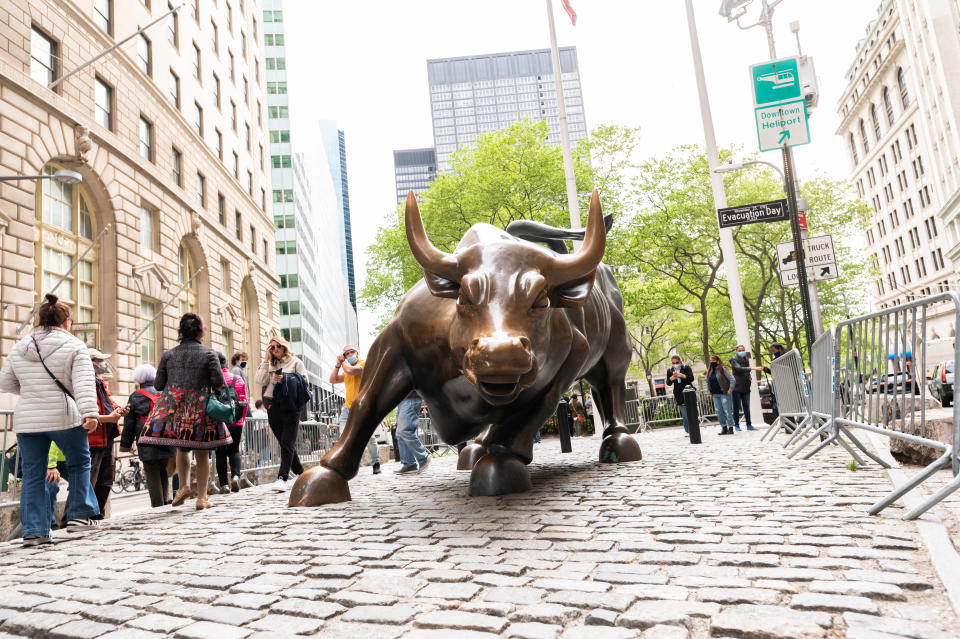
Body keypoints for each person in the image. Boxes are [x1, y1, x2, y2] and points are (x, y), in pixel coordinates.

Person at [0, 293, 102, 544]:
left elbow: (5, 382)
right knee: (79, 462)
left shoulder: (20, 346)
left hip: (28, 420)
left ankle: (34, 530)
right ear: (66, 321)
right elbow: (84, 384)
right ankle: (80, 515)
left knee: (34, 473)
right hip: (63, 417)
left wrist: (32, 392)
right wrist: (90, 413)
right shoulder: (75, 346)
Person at [139, 313, 231, 510]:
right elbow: (218, 382)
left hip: (174, 408)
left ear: (180, 332)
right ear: (200, 332)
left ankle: (183, 486)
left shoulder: (168, 355)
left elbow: (158, 384)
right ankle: (202, 497)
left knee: (182, 446)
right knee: (202, 452)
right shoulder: (209, 354)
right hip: (199, 407)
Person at [78, 348, 129, 521]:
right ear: (90, 362)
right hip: (93, 438)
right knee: (88, 481)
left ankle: (96, 515)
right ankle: (76, 518)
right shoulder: (82, 382)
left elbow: (109, 402)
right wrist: (110, 417)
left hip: (107, 437)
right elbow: (84, 412)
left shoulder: (100, 381)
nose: (103, 364)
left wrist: (118, 410)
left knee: (106, 479)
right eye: (99, 360)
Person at [255, 335, 307, 490]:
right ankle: (300, 473)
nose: (275, 349)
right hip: (273, 406)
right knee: (284, 442)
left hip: (291, 406)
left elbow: (304, 382)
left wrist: (285, 378)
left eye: (278, 346)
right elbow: (259, 380)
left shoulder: (296, 362)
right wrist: (265, 360)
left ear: (284, 347)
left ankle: (282, 478)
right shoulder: (269, 364)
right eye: (272, 347)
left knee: (287, 442)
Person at [120, 364, 175, 508]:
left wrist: (126, 445)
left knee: (151, 469)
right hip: (166, 436)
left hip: (146, 438)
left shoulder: (135, 396)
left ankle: (157, 504)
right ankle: (166, 499)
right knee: (163, 467)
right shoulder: (164, 392)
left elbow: (129, 422)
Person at [330, 345, 380, 474]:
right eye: (346, 353)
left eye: (352, 352)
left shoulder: (363, 364)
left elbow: (352, 371)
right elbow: (332, 380)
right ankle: (346, 465)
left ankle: (376, 462)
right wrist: (337, 365)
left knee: (369, 438)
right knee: (343, 437)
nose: (349, 355)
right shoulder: (346, 369)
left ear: (357, 354)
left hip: (362, 407)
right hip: (347, 409)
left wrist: (343, 362)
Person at [215, 352, 248, 492]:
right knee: (234, 450)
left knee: (220, 452)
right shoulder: (238, 380)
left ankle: (224, 485)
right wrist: (241, 418)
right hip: (236, 421)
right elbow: (244, 402)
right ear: (227, 364)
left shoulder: (213, 381)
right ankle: (235, 476)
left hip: (219, 422)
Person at [394, 391, 430, 474]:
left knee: (404, 430)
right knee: (400, 434)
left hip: (410, 396)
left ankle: (423, 458)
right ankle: (409, 464)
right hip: (402, 399)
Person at [729, 345, 762, 432]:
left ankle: (749, 424)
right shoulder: (733, 360)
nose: (742, 352)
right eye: (739, 350)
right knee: (737, 406)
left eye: (743, 350)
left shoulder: (746, 359)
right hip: (737, 386)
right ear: (736, 351)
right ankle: (736, 425)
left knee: (746, 406)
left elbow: (747, 371)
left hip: (746, 386)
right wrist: (753, 368)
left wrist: (749, 377)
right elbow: (739, 369)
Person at [708, 354, 737, 435]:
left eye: (713, 361)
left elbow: (732, 379)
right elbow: (708, 382)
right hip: (715, 394)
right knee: (719, 412)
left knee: (727, 411)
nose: (711, 362)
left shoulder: (722, 369)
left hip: (724, 393)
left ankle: (730, 428)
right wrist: (709, 392)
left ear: (717, 361)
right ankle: (724, 428)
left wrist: (730, 389)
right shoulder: (710, 371)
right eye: (710, 361)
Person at [665, 355, 694, 434]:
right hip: (678, 394)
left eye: (676, 362)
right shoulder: (670, 370)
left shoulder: (686, 368)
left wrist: (683, 376)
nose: (675, 364)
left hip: (689, 392)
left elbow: (691, 378)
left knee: (691, 413)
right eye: (673, 363)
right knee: (684, 415)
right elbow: (668, 383)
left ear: (680, 361)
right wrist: (671, 378)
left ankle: (694, 429)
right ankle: (688, 431)